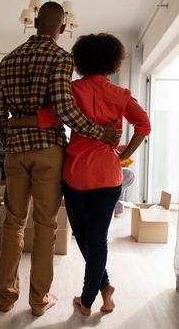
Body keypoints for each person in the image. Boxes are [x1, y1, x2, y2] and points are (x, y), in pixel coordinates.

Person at [0, 2, 120, 317]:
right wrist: (97, 132)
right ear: (62, 29)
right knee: (46, 226)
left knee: (12, 224)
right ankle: (38, 302)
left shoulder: (7, 60)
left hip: (15, 152)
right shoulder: (61, 57)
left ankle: (6, 298)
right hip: (49, 151)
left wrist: (12, 144)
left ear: (35, 22)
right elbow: (63, 108)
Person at [25, 33, 151, 316]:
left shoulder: (70, 90)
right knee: (97, 238)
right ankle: (104, 289)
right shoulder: (121, 95)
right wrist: (122, 152)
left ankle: (87, 300)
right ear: (112, 61)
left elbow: (45, 118)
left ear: (81, 60)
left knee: (84, 235)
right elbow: (144, 125)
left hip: (76, 176)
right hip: (108, 176)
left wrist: (17, 119)